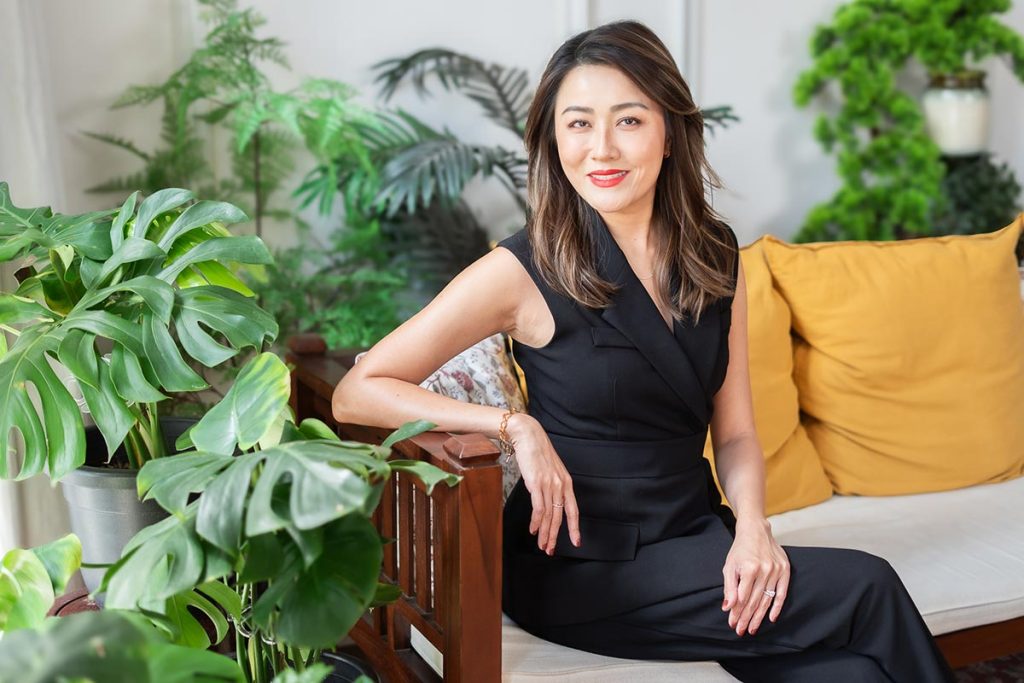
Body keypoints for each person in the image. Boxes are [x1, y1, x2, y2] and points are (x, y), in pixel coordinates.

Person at [332, 19, 956, 683]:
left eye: (628, 120)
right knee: (869, 585)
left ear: (669, 133)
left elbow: (737, 433)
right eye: (577, 124)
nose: (601, 147)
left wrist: (753, 529)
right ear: (552, 138)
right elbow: (358, 388)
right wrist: (514, 425)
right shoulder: (523, 268)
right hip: (581, 564)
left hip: (694, 536)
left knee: (852, 674)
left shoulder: (715, 255)